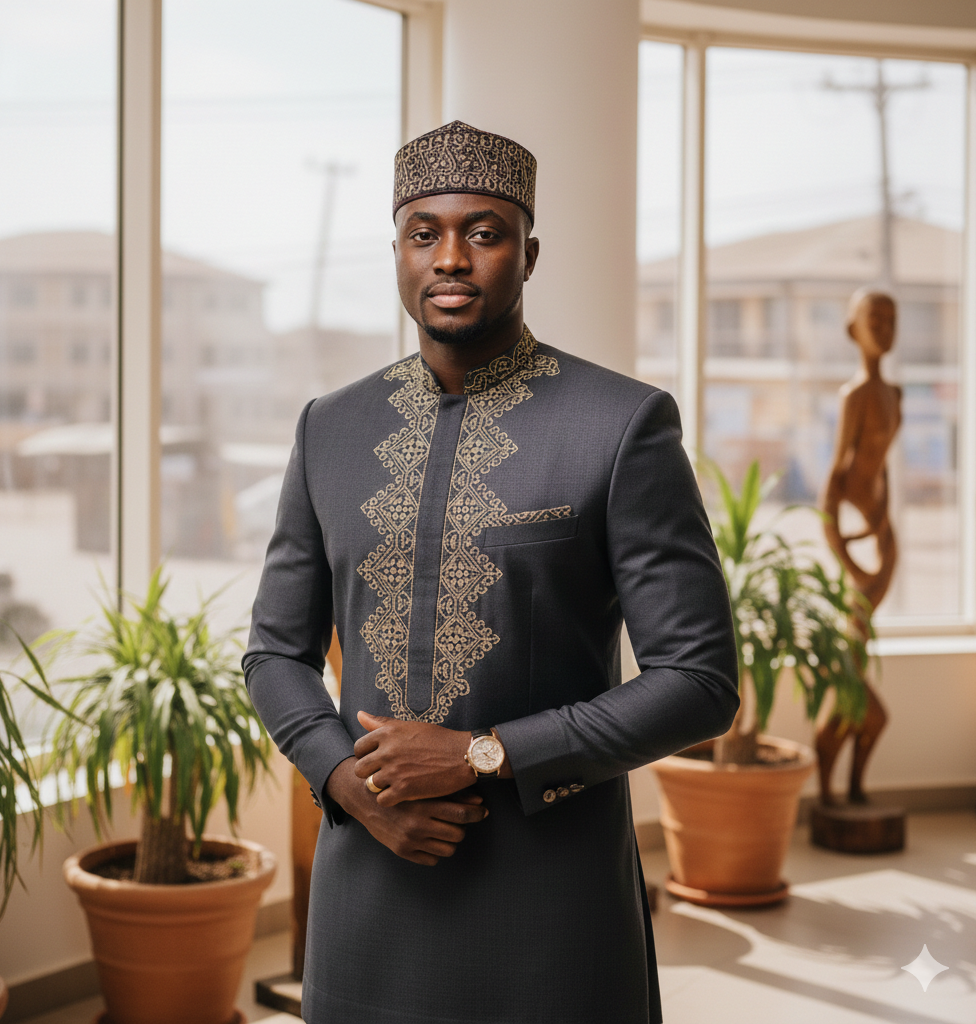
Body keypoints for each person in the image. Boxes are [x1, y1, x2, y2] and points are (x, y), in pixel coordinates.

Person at [243, 120, 738, 1024]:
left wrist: (485, 751)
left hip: (550, 902)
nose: (451, 259)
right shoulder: (331, 429)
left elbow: (700, 683)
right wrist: (347, 783)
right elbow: (273, 654)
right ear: (396, 251)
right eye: (423, 233)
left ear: (529, 252)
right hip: (369, 887)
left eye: (483, 231)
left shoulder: (620, 425)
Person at [816, 287, 901, 805]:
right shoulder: (856, 395)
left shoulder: (895, 394)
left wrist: (881, 528)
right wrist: (845, 552)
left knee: (859, 647)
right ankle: (837, 758)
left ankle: (847, 781)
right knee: (852, 652)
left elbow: (883, 469)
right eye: (875, 318)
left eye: (892, 319)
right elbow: (836, 479)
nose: (886, 328)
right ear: (854, 330)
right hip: (855, 542)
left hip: (881, 538)